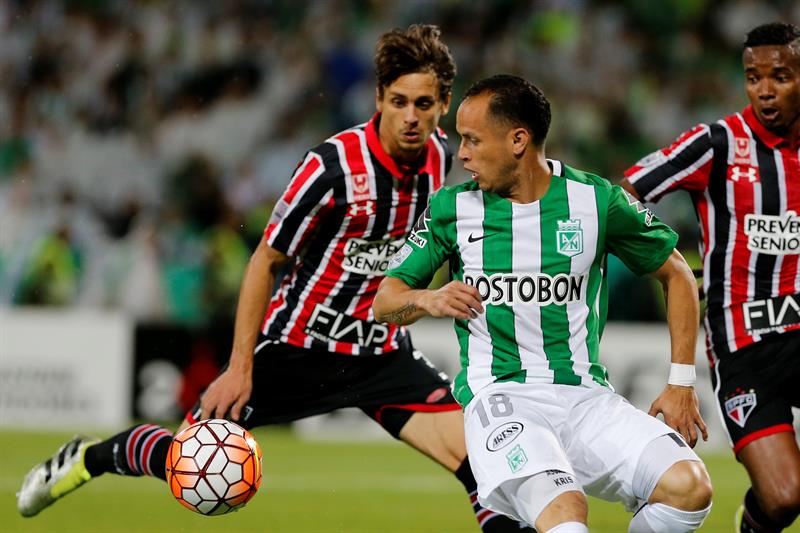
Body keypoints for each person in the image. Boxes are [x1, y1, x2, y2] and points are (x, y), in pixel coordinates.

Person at [17, 25, 530, 532]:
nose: (411, 117)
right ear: (378, 97)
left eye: (424, 103)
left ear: (444, 105)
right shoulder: (331, 167)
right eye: (398, 101)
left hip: (379, 353)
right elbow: (265, 260)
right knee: (188, 464)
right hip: (296, 347)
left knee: (483, 468)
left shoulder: (443, 158)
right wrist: (241, 367)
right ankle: (88, 458)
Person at [373, 74, 714, 533]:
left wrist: (680, 381)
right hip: (502, 401)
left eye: (472, 140)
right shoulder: (451, 209)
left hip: (588, 401)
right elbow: (385, 302)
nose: (463, 154)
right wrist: (427, 299)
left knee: (690, 488)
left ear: (518, 140)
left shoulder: (596, 201)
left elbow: (676, 274)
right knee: (567, 515)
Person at [620, 21, 800, 533]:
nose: (764, 89)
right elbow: (628, 192)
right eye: (753, 77)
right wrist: (669, 257)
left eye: (780, 76)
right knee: (785, 498)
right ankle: (756, 519)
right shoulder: (716, 142)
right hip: (743, 346)